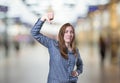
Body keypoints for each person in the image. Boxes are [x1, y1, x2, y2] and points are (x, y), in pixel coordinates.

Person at [31, 12, 83, 83]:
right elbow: (34, 33)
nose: (69, 34)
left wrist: (77, 72)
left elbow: (80, 65)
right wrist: (43, 18)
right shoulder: (53, 45)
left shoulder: (75, 50)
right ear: (62, 34)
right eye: (66, 32)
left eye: (71, 32)